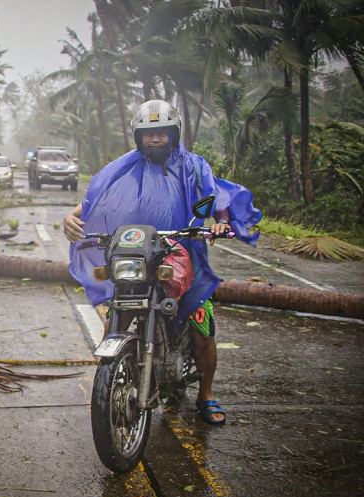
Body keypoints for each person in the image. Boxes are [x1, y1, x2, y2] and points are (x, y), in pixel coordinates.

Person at [63, 99, 262, 425]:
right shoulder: (124, 167)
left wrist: (220, 221)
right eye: (148, 134)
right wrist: (71, 217)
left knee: (202, 326)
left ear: (173, 133)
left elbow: (216, 198)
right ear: (137, 136)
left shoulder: (194, 166)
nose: (155, 140)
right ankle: (113, 373)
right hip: (136, 252)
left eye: (161, 133)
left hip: (184, 252)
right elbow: (95, 198)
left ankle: (206, 393)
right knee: (118, 309)